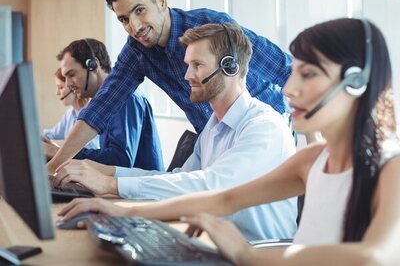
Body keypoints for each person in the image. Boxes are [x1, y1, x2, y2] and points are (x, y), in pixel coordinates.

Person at [59, 18, 400, 264]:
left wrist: (247, 255)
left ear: (355, 82)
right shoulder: (311, 160)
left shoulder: (391, 168)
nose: (289, 89)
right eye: (294, 72)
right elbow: (222, 199)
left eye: (308, 74)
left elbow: (374, 256)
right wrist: (117, 207)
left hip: (262, 250)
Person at [55, 23, 297, 241]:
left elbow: (212, 186)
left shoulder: (264, 126)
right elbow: (179, 177)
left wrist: (111, 186)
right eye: (187, 65)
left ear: (230, 67)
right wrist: (108, 174)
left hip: (258, 252)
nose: (186, 75)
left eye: (197, 65)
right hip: (218, 245)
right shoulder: (213, 126)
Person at [47, 0, 293, 169]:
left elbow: (283, 68)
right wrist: (53, 166)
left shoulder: (211, 26)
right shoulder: (136, 51)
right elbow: (100, 109)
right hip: (211, 136)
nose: (134, 26)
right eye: (123, 19)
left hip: (259, 130)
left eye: (139, 10)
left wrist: (314, 137)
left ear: (161, 1)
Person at [46, 39, 164, 174]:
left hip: (139, 190)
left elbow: (121, 160)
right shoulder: (97, 104)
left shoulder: (125, 97)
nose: (67, 84)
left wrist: (61, 154)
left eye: (71, 75)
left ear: (94, 65)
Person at [42, 68, 99, 151]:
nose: (57, 93)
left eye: (60, 87)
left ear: (73, 88)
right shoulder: (70, 113)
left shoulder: (90, 113)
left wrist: (54, 144)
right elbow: (53, 134)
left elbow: (89, 147)